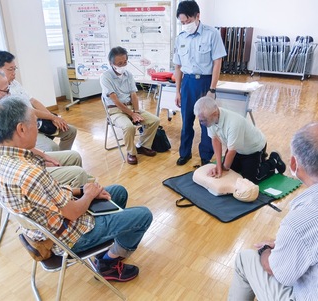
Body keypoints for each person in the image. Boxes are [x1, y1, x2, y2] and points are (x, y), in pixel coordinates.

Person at [0, 96, 153, 282]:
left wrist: (82, 191)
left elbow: (50, 194)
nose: (39, 128)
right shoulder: (30, 173)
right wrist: (89, 194)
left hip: (48, 226)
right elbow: (73, 212)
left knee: (118, 191)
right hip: (68, 237)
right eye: (37, 123)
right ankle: (108, 264)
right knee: (144, 215)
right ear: (21, 129)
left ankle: (106, 248)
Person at [228, 122, 318, 301]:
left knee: (245, 259)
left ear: (293, 162)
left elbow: (276, 270)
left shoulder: (301, 220)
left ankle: (272, 163)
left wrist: (266, 250)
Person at [0, 69, 91, 187]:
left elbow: (17, 146)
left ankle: (76, 192)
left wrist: (44, 156)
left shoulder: (2, 107)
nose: (9, 94)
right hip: (18, 168)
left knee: (73, 155)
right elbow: (6, 161)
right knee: (78, 173)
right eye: (6, 91)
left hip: (24, 157)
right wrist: (40, 162)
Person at [173, 0, 226, 166]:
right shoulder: (180, 37)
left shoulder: (212, 34)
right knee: (186, 120)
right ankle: (185, 153)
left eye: (188, 21)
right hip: (187, 83)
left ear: (197, 16)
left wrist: (212, 88)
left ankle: (205, 156)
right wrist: (177, 91)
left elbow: (218, 62)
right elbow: (178, 66)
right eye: (182, 22)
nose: (185, 25)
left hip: (204, 82)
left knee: (206, 122)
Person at [0, 50, 77, 152]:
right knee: (51, 147)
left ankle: (62, 160)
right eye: (10, 69)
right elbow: (28, 111)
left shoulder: (15, 84)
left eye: (15, 69)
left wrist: (53, 118)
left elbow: (33, 101)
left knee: (70, 131)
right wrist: (52, 117)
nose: (14, 73)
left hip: (37, 121)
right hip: (25, 128)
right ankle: (58, 161)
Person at [194, 96, 286, 183]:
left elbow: (231, 151)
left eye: (203, 120)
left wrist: (224, 168)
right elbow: (215, 140)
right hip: (238, 148)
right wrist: (218, 165)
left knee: (250, 179)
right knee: (232, 171)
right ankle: (252, 163)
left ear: (214, 114)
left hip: (253, 149)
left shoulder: (233, 123)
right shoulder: (210, 119)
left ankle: (274, 160)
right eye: (200, 120)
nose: (201, 123)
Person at [100, 46, 160, 165]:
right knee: (129, 127)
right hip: (115, 111)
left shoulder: (128, 75)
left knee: (155, 120)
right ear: (111, 63)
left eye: (125, 62)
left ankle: (142, 145)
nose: (122, 65)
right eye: (119, 63)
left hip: (131, 108)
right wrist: (132, 114)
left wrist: (136, 111)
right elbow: (115, 101)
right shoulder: (105, 77)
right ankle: (131, 152)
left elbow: (133, 95)